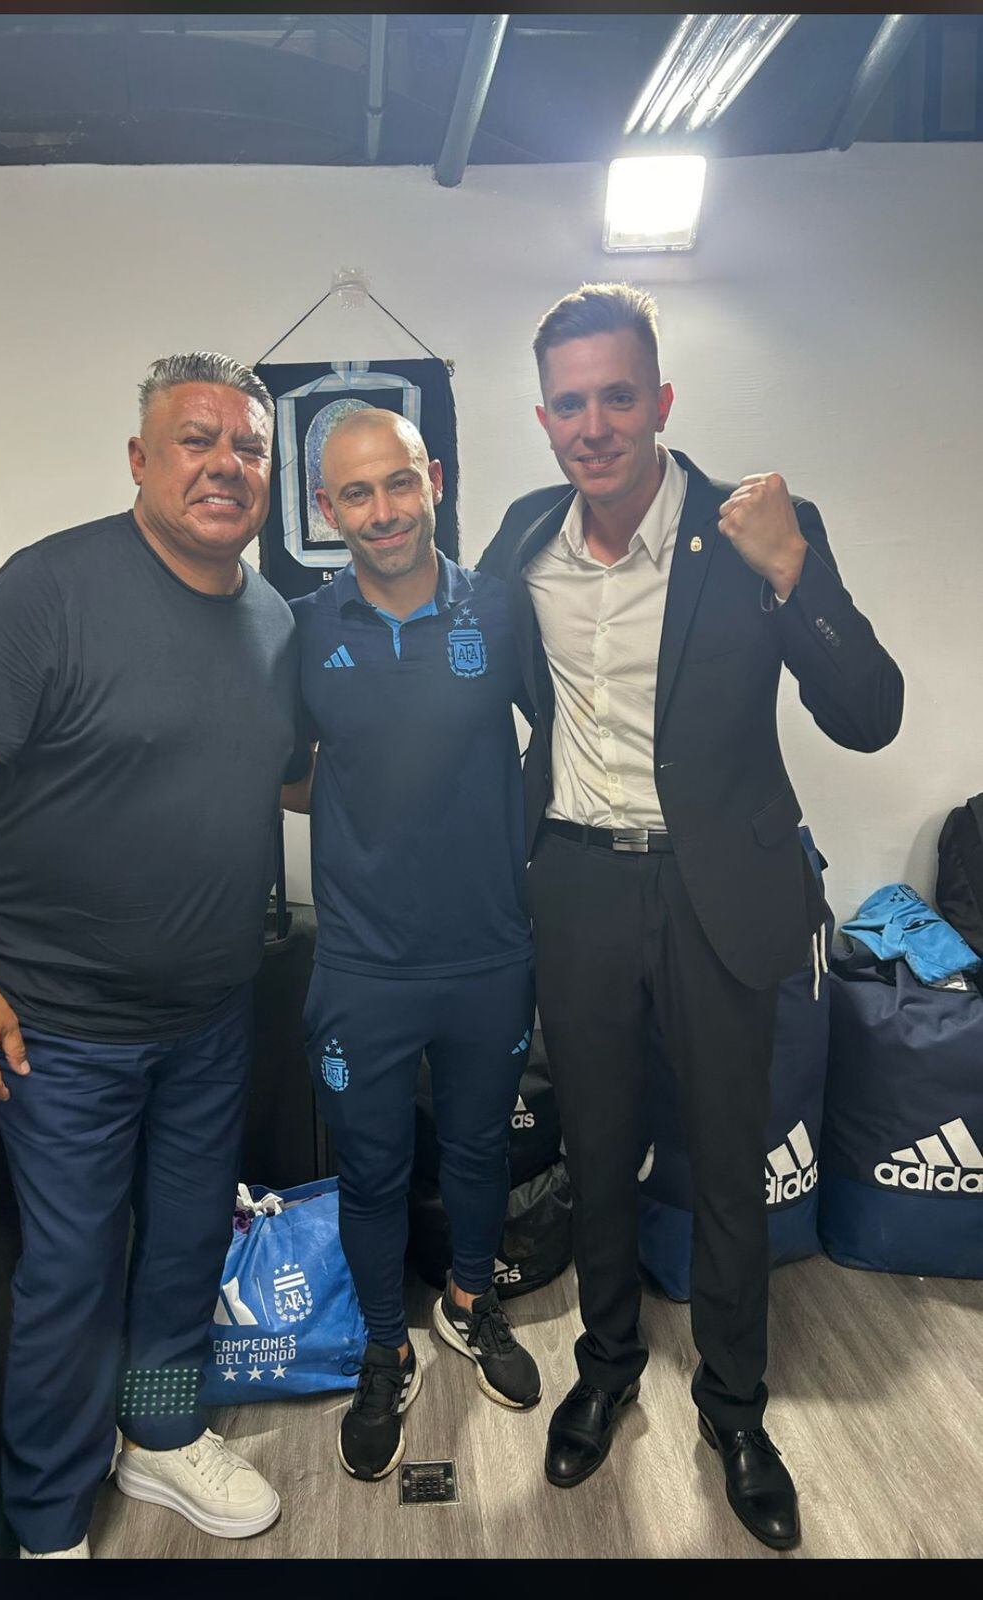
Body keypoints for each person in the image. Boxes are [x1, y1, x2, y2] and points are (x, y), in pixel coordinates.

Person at [479, 284, 903, 1549]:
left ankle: (734, 1405)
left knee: (727, 1159)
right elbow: (494, 694)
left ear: (661, 402)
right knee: (599, 1148)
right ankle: (607, 1368)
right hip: (581, 887)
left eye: (620, 396)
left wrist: (798, 572)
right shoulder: (519, 539)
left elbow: (869, 710)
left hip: (721, 890)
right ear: (544, 417)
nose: (595, 423)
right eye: (571, 402)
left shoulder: (760, 528)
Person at [0, 353, 309, 1558]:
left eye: (246, 446)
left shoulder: (274, 616)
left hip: (213, 1010)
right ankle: (50, 1520)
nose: (224, 462)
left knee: (183, 1246)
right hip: (58, 1025)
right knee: (71, 1277)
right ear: (140, 458)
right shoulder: (49, 591)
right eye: (195, 439)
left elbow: (285, 776)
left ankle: (162, 1435)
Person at [283, 409, 541, 1483]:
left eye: (399, 484)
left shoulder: (504, 607)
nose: (382, 511)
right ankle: (386, 1346)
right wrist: (368, 807)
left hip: (490, 950)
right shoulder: (299, 628)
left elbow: (572, 734)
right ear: (324, 510)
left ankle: (470, 1306)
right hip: (362, 964)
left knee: (484, 1151)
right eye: (356, 494)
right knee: (374, 1170)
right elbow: (280, 769)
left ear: (433, 478)